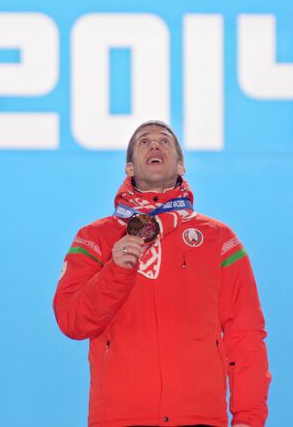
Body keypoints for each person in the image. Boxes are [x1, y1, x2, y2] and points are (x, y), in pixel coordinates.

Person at [53, 121, 271, 427]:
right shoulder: (95, 237)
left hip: (200, 416)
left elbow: (245, 336)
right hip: (119, 418)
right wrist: (114, 271)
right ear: (129, 168)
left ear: (181, 165)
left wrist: (249, 418)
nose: (154, 145)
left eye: (164, 141)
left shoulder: (219, 239)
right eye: (144, 141)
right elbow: (71, 321)